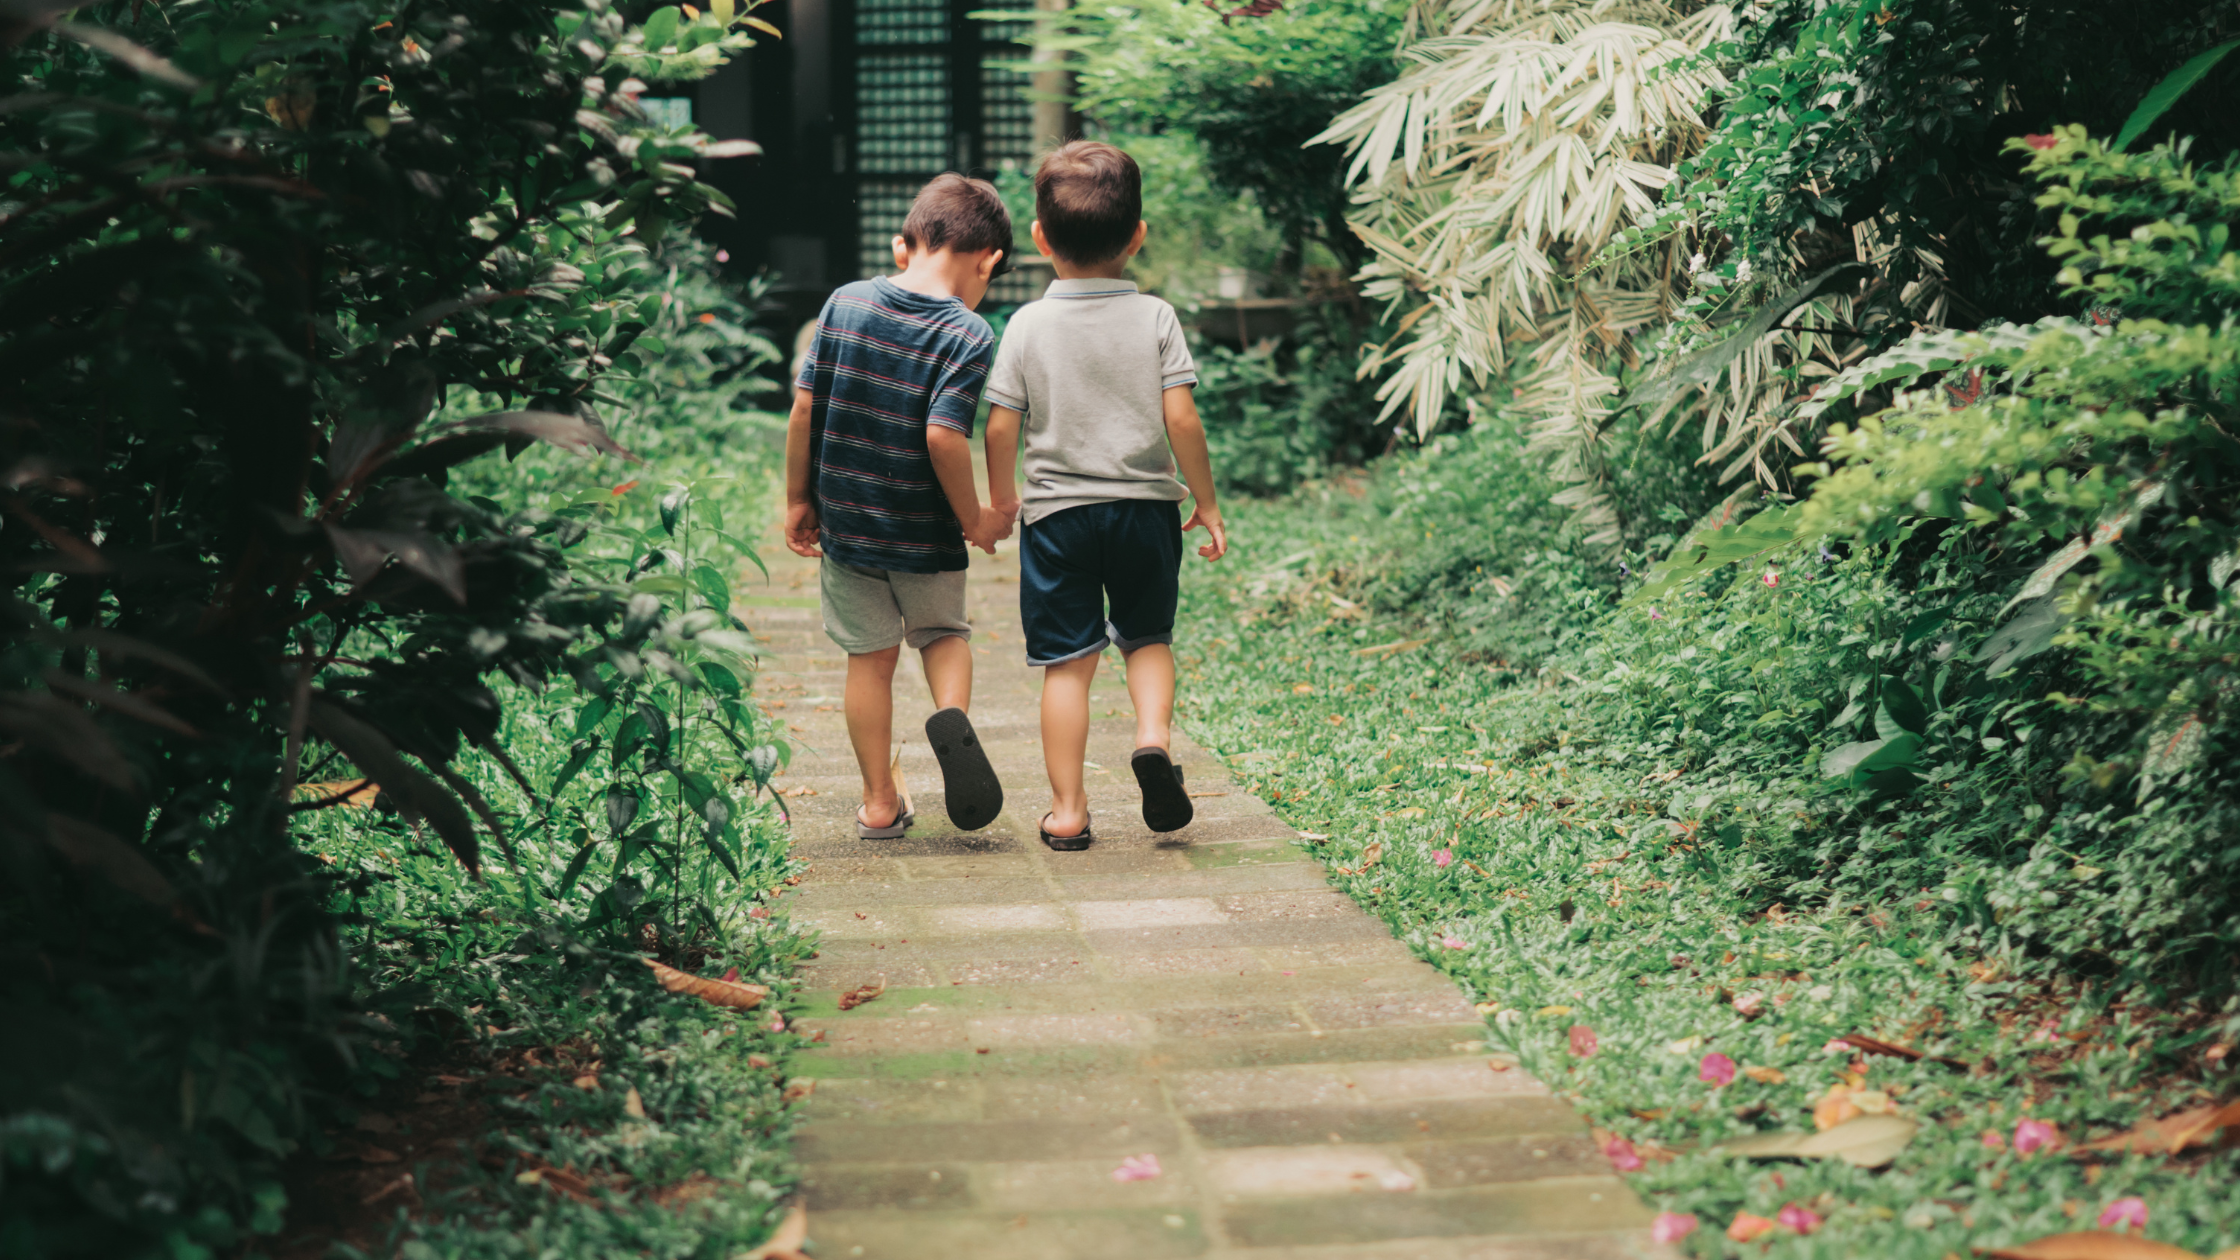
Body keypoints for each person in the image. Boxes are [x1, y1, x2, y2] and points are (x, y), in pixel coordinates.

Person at [983, 141, 1228, 852]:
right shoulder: (1156, 317)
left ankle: (1067, 811)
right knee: (1147, 638)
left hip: (1058, 516)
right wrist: (1205, 504)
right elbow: (1182, 417)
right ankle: (1152, 737)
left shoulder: (1027, 324)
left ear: (1038, 238)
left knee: (1069, 663)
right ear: (1137, 236)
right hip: (1146, 509)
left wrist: (1004, 502)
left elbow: (1002, 424)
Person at [782, 173, 1014, 839]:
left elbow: (804, 407)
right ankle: (951, 717)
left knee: (870, 658)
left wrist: (799, 499)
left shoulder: (843, 303)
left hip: (849, 524)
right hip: (924, 531)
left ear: (901, 247)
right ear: (987, 259)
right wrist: (976, 519)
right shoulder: (967, 332)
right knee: (943, 636)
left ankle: (880, 802)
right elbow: (944, 434)